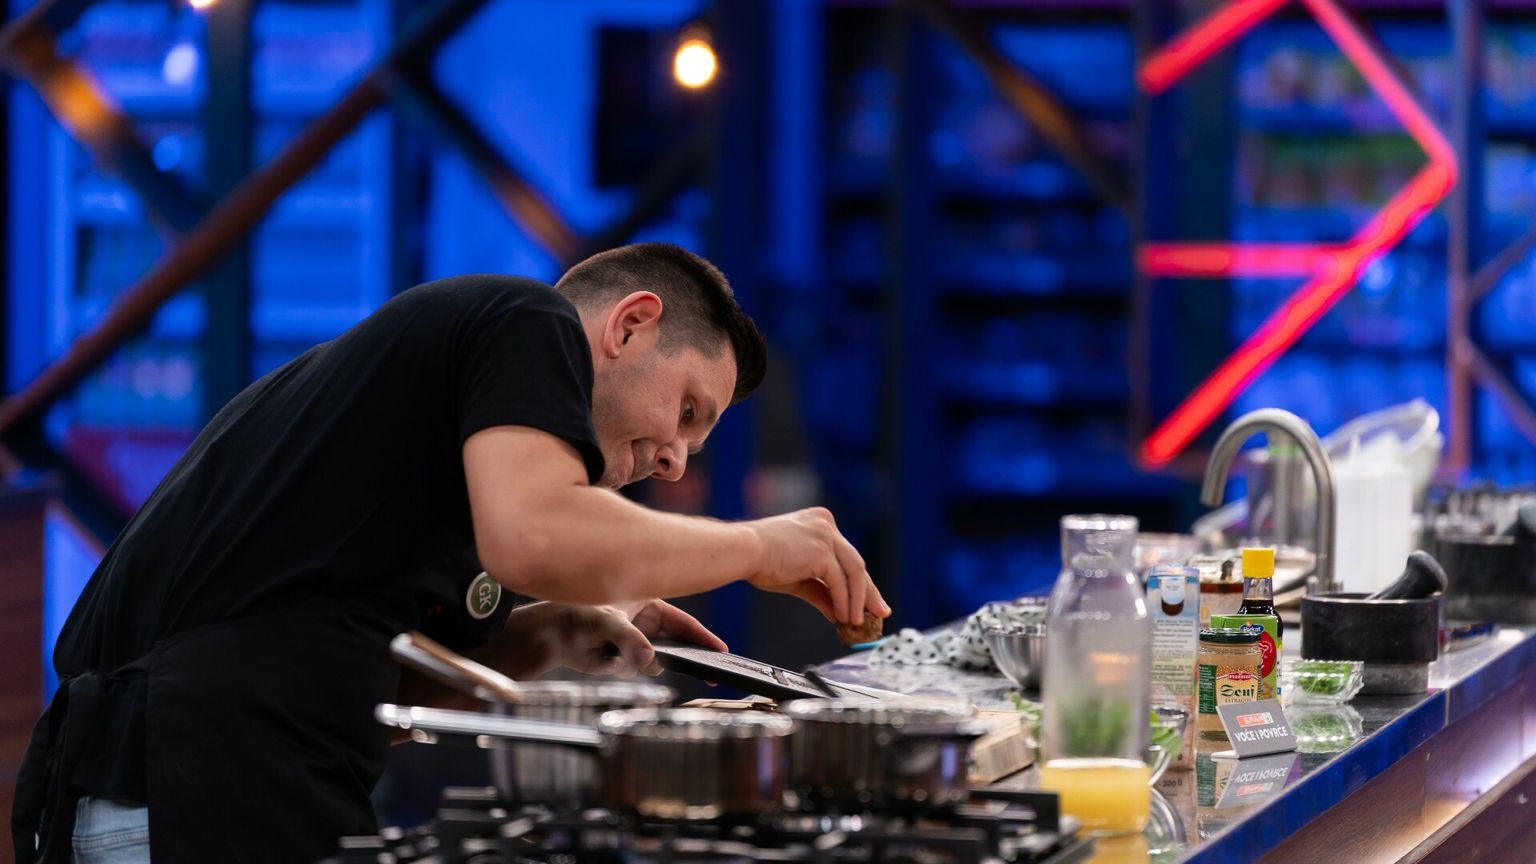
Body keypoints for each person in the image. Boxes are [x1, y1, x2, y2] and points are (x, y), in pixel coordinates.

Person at [13, 242, 889, 863]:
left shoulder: (438, 457)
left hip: (208, 790)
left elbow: (373, 677)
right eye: (687, 413)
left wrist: (547, 636)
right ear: (630, 324)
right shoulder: (524, 320)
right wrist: (758, 545)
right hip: (183, 791)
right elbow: (537, 535)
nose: (674, 461)